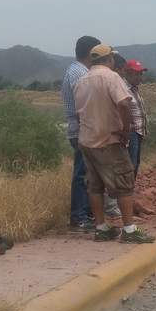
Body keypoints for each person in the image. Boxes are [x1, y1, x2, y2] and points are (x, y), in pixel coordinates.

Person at [74, 44, 155, 244]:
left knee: (94, 187)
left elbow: (79, 113)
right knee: (124, 183)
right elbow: (124, 103)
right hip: (109, 141)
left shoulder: (81, 81)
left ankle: (101, 228)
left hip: (87, 141)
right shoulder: (111, 77)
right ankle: (129, 230)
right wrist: (125, 131)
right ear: (109, 59)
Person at [61, 35, 101, 231]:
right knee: (82, 174)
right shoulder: (79, 74)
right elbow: (82, 106)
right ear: (91, 53)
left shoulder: (77, 70)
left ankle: (84, 213)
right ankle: (79, 216)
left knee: (86, 173)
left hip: (81, 129)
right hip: (82, 130)